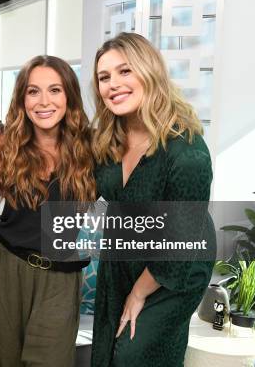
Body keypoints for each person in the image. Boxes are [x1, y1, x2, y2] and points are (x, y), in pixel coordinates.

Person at [89, 32, 215, 366]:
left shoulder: (187, 153)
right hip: (125, 252)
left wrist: (138, 293)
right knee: (106, 347)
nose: (113, 83)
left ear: (150, 72)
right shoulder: (108, 138)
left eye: (125, 71)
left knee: (133, 354)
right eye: (104, 77)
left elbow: (179, 245)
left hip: (177, 264)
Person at [0, 55, 97, 366]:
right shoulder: (5, 147)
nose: (44, 101)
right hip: (9, 266)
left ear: (68, 96)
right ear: (22, 98)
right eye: (33, 91)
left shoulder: (91, 147)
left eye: (54, 90)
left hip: (61, 275)